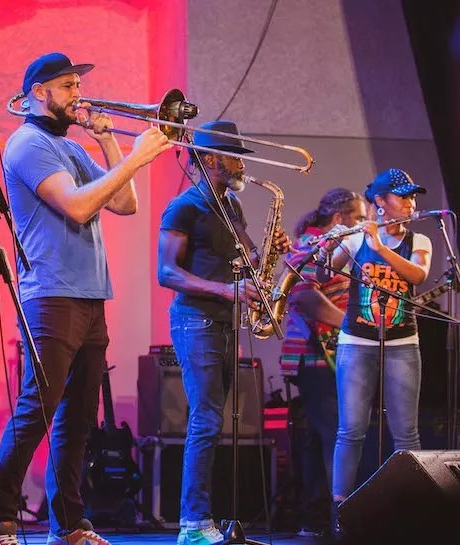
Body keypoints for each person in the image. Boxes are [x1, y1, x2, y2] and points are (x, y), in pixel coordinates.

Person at [0, 52, 171, 545]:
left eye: (77, 86)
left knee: (78, 420)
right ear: (39, 92)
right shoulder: (29, 144)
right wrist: (135, 156)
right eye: (67, 86)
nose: (78, 95)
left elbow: (125, 204)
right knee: (36, 411)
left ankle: (68, 524)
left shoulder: (72, 148)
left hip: (89, 294)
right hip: (52, 295)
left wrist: (109, 141)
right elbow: (80, 205)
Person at [157, 120, 290, 545]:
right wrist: (225, 290)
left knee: (216, 422)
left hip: (225, 321)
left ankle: (206, 521)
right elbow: (166, 272)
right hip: (195, 319)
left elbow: (245, 257)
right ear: (210, 159)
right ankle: (193, 525)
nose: (240, 165)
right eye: (234, 157)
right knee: (206, 421)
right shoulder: (184, 206)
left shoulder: (230, 206)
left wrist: (270, 252)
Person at [318, 169, 432, 538]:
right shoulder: (356, 239)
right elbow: (325, 273)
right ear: (380, 202)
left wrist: (380, 248)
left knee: (406, 433)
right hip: (357, 342)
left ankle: (408, 511)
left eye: (413, 197)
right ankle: (341, 512)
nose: (411, 204)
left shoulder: (421, 240)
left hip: (402, 343)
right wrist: (330, 245)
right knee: (350, 430)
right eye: (403, 197)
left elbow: (417, 276)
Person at [277, 188, 367, 536]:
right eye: (358, 218)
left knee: (319, 439)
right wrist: (350, 324)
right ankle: (340, 521)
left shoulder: (337, 247)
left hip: (325, 355)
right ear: (340, 218)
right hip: (316, 356)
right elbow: (302, 296)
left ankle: (313, 520)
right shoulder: (311, 245)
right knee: (335, 435)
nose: (363, 224)